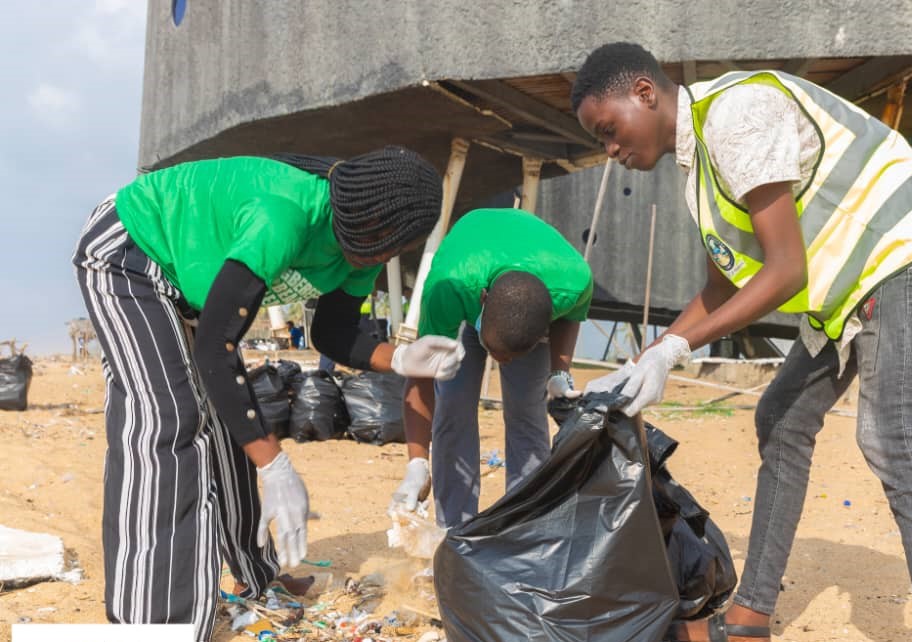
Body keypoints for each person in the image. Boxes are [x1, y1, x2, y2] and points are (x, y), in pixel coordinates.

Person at [571, 43, 912, 642]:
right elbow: (719, 290)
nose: (609, 150)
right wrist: (643, 361)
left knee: (892, 436)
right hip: (849, 284)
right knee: (781, 419)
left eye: (608, 130)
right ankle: (751, 615)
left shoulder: (735, 115)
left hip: (904, 252)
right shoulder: (702, 171)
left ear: (644, 93)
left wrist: (675, 353)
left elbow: (785, 270)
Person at [72, 147, 466, 641]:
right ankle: (150, 623)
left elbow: (334, 331)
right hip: (131, 252)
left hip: (190, 288)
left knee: (232, 419)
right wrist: (274, 464)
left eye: (384, 251)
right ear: (352, 213)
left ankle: (256, 579)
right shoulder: (283, 214)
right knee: (165, 422)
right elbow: (217, 347)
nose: (369, 260)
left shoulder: (366, 245)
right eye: (368, 245)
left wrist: (400, 359)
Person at [389, 208, 593, 528]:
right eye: (499, 353)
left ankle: (525, 527)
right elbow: (422, 376)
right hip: (470, 273)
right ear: (481, 300)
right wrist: (417, 463)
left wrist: (558, 372)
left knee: (528, 412)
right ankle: (455, 530)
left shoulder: (573, 282)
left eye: (512, 356)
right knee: (453, 406)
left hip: (535, 284)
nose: (502, 364)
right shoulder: (448, 288)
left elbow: (571, 318)